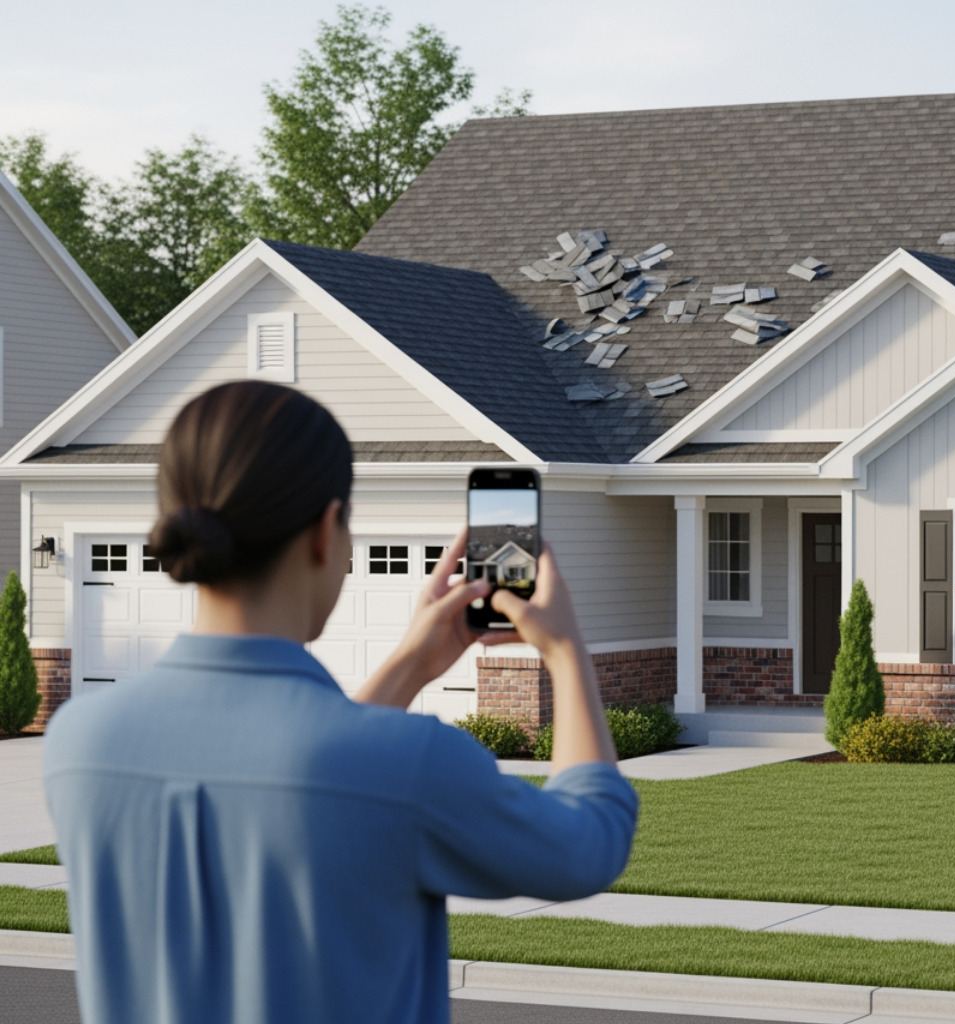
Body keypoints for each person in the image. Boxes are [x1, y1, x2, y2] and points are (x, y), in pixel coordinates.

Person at [43, 381, 638, 1024]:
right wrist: (565, 652)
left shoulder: (78, 742)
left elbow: (289, 771)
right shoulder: (407, 763)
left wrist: (410, 666)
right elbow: (586, 844)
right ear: (327, 532)